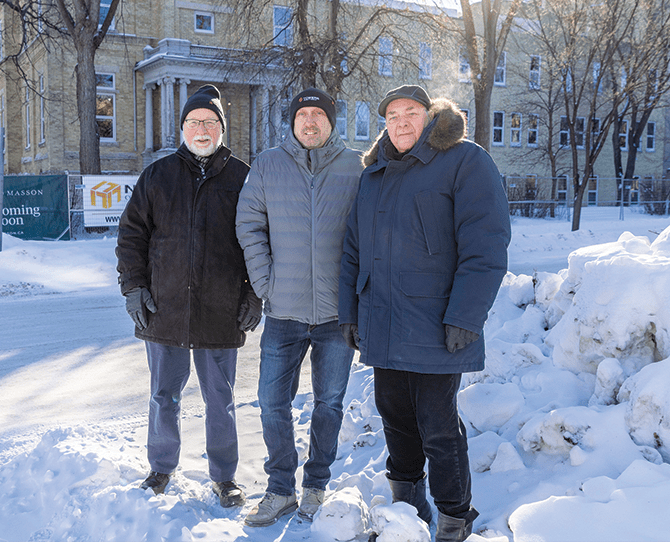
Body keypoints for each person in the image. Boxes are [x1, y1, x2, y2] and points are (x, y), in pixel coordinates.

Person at [338, 85, 511, 542]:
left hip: (437, 324)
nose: (401, 122)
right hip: (383, 322)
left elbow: (486, 245)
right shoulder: (374, 174)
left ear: (429, 115)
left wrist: (466, 316)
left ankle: (454, 517)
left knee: (437, 425)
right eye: (392, 116)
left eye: (410, 113)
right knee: (395, 417)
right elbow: (353, 251)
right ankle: (408, 510)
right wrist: (349, 312)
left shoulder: (465, 161)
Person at [115, 84, 262, 509]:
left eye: (210, 122)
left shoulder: (243, 178)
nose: (202, 129)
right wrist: (134, 287)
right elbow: (131, 236)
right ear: (182, 128)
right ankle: (161, 467)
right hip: (165, 308)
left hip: (221, 309)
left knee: (221, 398)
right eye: (194, 122)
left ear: (222, 129)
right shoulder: (158, 176)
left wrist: (254, 295)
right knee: (164, 395)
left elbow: (259, 241)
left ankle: (224, 476)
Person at [236, 88, 363, 526]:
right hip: (283, 312)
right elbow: (249, 223)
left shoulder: (356, 166)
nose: (310, 121)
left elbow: (369, 232)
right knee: (271, 402)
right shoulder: (268, 164)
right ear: (292, 122)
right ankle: (279, 489)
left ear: (331, 121)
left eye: (318, 114)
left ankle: (315, 485)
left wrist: (357, 293)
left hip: (336, 314)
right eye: (302, 114)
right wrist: (265, 281)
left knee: (329, 402)